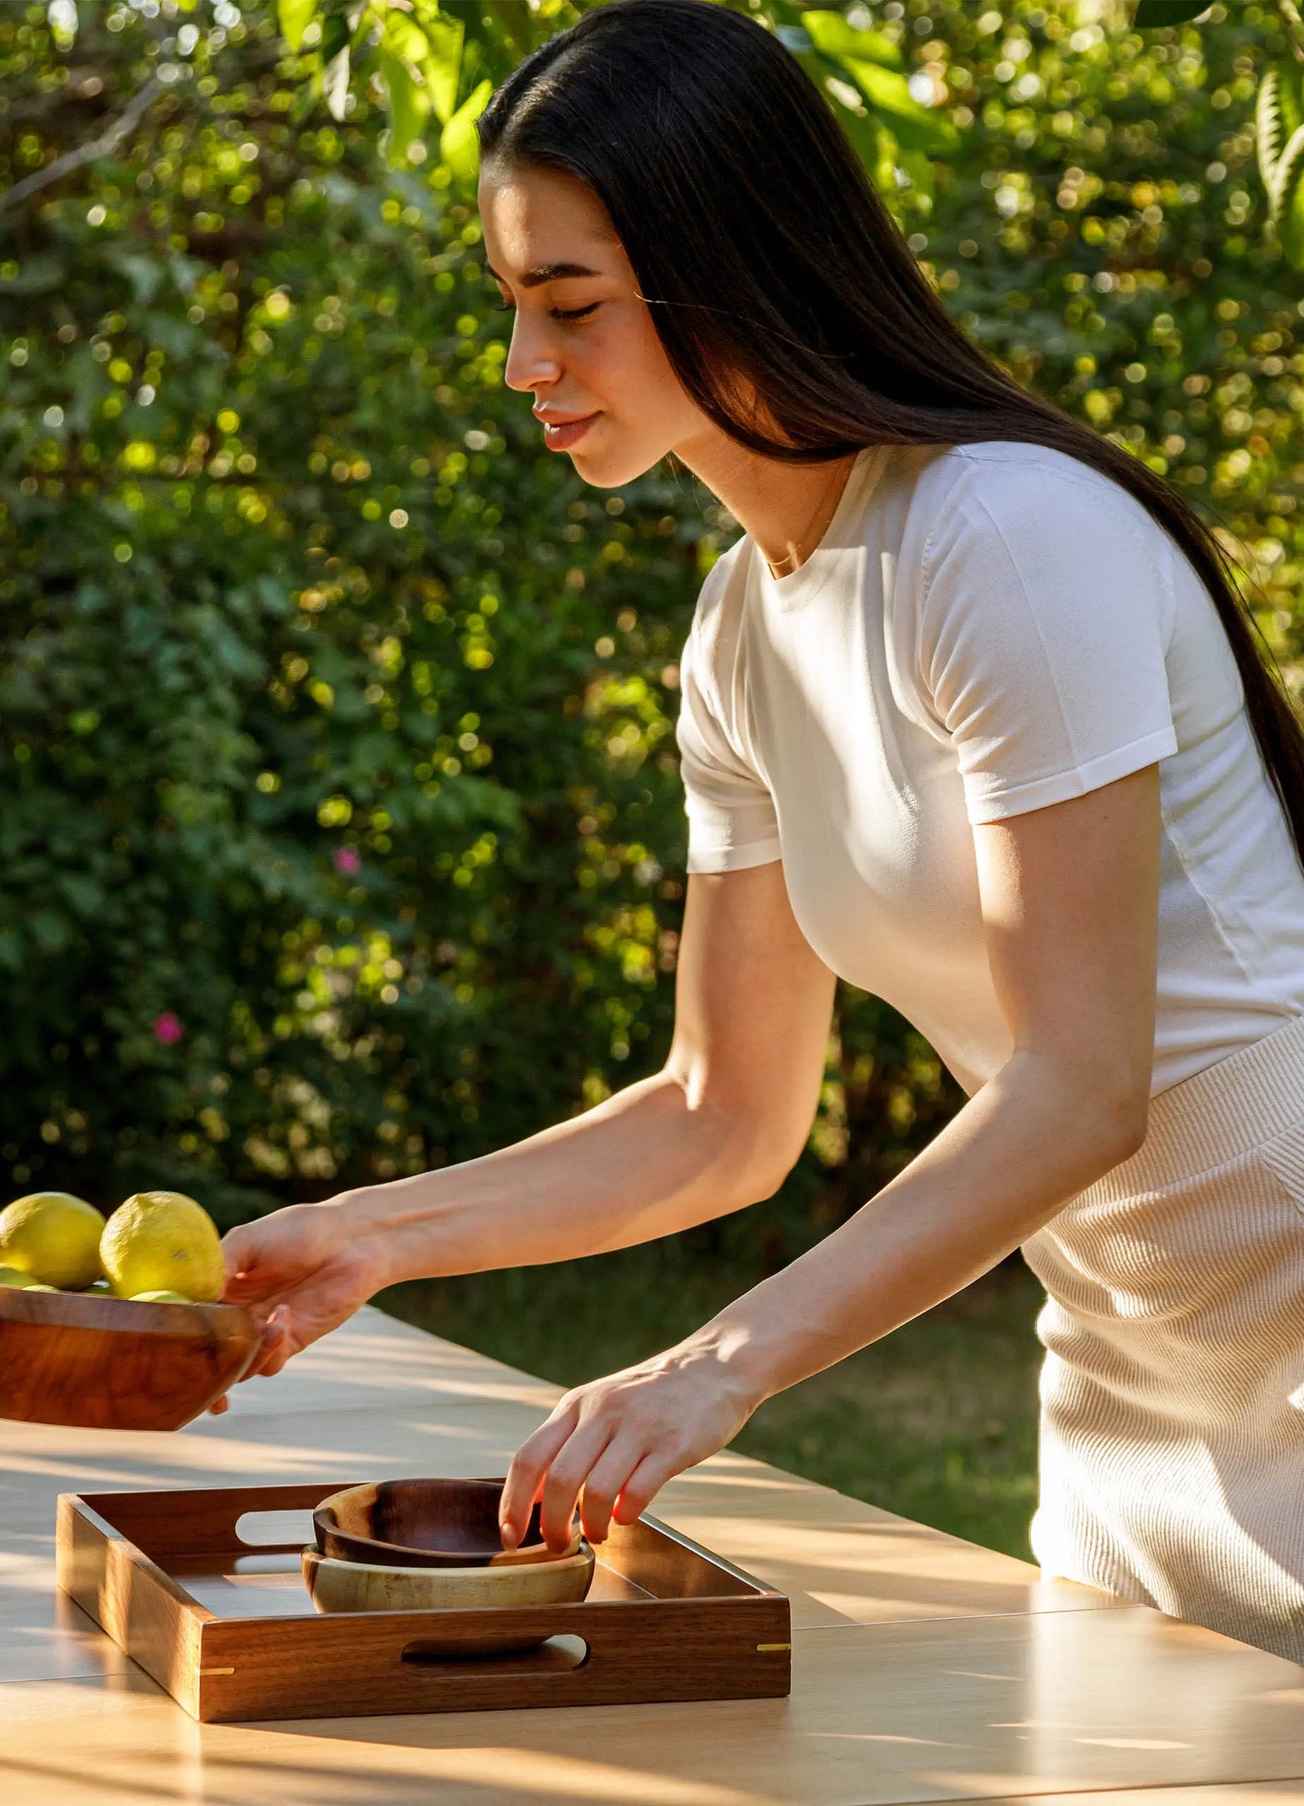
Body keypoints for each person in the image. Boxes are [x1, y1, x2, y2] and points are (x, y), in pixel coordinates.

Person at [216, 0, 1304, 1660]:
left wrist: (719, 1361)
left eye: (568, 306)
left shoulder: (1005, 536)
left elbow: (1084, 1081)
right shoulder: (741, 627)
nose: (524, 367)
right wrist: (370, 1235)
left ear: (731, 272)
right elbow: (721, 1111)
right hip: (1120, 1374)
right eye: (512, 306)